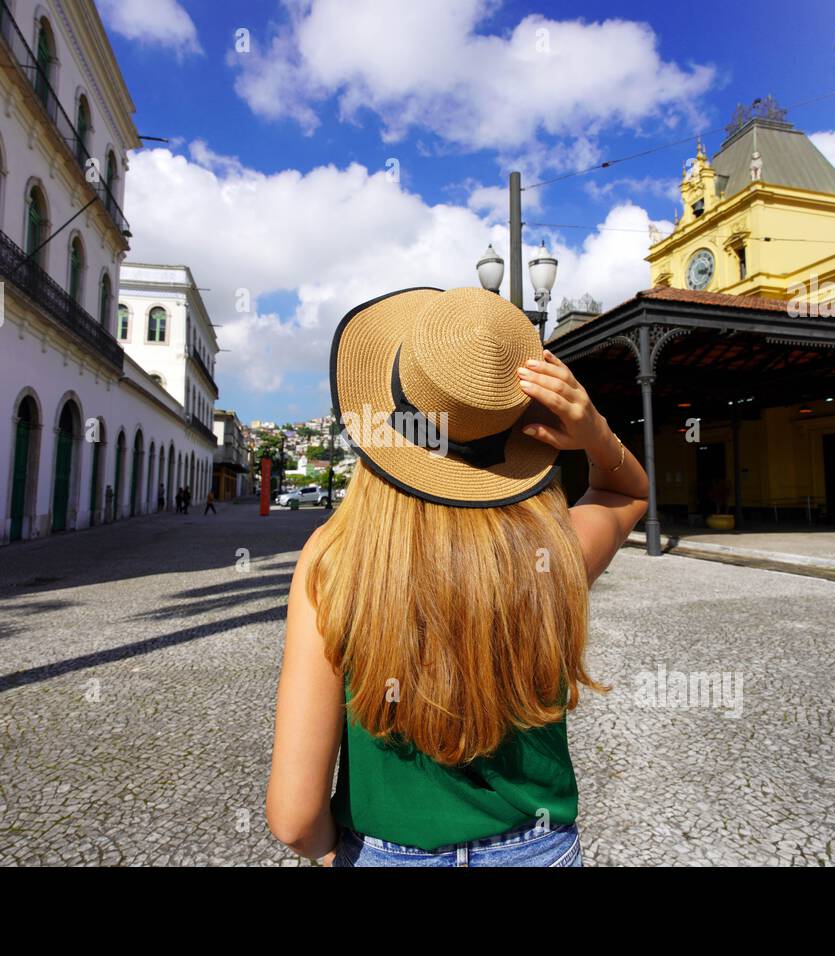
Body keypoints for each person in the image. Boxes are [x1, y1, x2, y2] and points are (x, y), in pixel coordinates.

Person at [266, 287, 649, 867]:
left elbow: (294, 816)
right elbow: (626, 490)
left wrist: (332, 856)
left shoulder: (334, 560)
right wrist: (594, 430)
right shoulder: (555, 550)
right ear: (520, 430)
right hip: (538, 850)